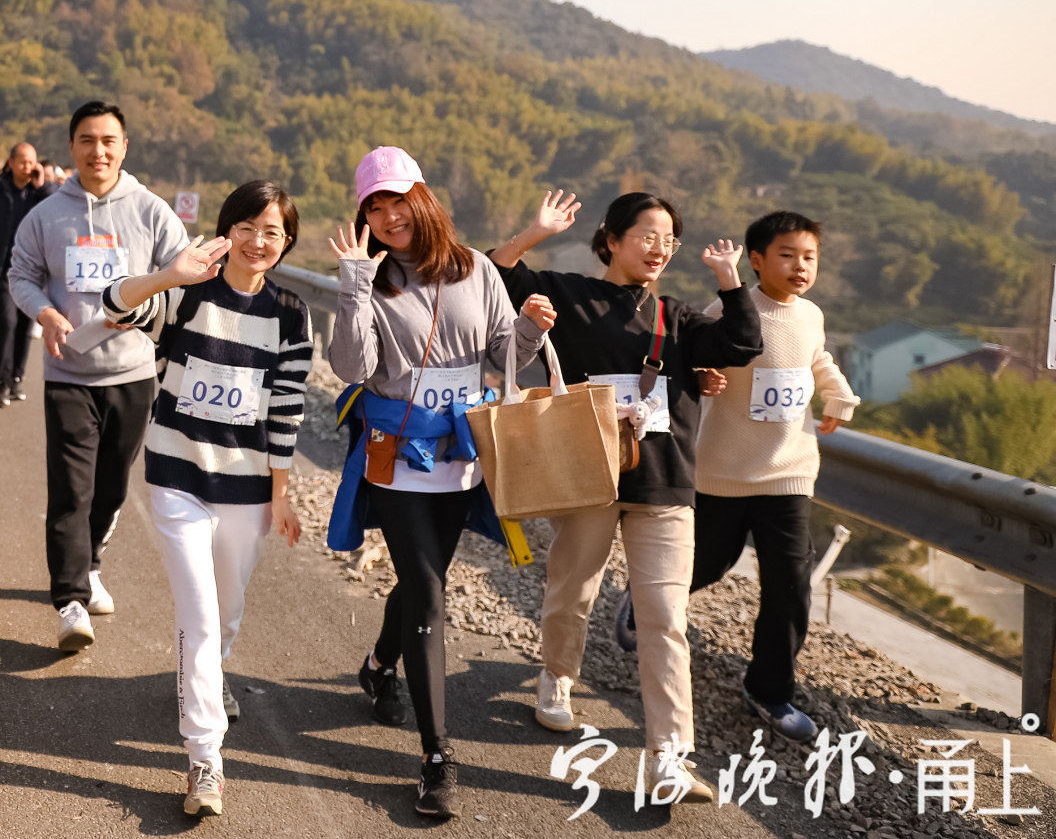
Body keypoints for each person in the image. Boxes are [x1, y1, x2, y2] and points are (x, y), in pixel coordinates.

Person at [489, 189, 761, 805]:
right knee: (572, 589)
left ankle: (670, 757)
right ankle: (557, 677)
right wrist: (534, 231)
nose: (659, 248)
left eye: (669, 240)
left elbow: (743, 343)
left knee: (666, 620)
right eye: (646, 235)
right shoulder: (571, 294)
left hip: (664, 483)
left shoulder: (681, 319)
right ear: (610, 240)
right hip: (588, 475)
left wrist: (729, 278)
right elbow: (495, 274)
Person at [326, 147, 554, 820]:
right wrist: (352, 285)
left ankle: (377, 663)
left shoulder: (477, 269)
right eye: (375, 205)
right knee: (428, 590)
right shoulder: (371, 277)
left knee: (421, 582)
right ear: (366, 214)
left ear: (422, 198)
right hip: (395, 455)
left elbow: (499, 356)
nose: (390, 215)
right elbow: (353, 364)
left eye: (398, 199)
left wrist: (533, 331)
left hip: (462, 456)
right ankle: (435, 757)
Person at [100, 179, 312, 819]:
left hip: (247, 487)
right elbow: (113, 306)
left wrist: (281, 495)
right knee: (198, 609)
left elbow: (286, 411)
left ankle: (207, 674)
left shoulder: (291, 314)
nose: (257, 240)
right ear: (227, 230)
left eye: (271, 231)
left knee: (227, 607)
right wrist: (166, 275)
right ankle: (205, 758)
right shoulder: (188, 295)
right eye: (246, 226)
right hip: (177, 478)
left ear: (286, 243)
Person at [9, 100, 190, 651]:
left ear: (124, 147)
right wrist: (45, 312)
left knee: (111, 488)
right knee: (71, 490)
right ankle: (69, 601)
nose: (99, 151)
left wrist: (153, 310)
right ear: (72, 148)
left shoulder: (152, 211)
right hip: (69, 373)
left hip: (133, 375)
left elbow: (182, 281)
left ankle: (89, 565)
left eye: (108, 140)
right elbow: (21, 274)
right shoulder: (45, 216)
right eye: (87, 140)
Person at [688, 210, 857, 742]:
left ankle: (770, 690)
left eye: (809, 257)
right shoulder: (731, 307)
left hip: (790, 470)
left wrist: (839, 394)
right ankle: (646, 601)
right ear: (756, 260)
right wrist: (704, 374)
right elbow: (698, 355)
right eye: (787, 255)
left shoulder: (810, 315)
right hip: (725, 469)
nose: (800, 266)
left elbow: (817, 359)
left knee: (789, 585)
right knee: (709, 564)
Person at [0, 142, 51, 407]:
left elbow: (58, 208)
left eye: (32, 162)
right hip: (4, 268)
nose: (29, 167)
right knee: (7, 321)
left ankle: (16, 378)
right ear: (12, 162)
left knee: (26, 326)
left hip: (34, 270)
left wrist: (43, 185)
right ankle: (1, 383)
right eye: (24, 162)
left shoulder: (39, 193)